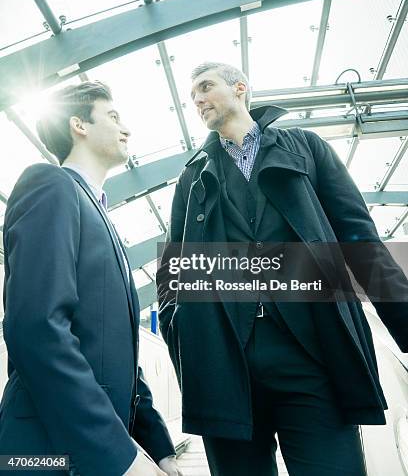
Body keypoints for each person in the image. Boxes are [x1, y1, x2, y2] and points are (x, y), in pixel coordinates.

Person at [157, 62, 408, 476]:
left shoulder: (306, 148)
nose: (198, 100)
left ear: (240, 88)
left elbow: (360, 241)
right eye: (192, 96)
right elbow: (174, 274)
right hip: (226, 365)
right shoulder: (192, 178)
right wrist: (180, 331)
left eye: (206, 87)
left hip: (311, 357)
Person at [0, 81, 182, 476]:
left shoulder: (100, 216)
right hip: (46, 453)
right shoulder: (50, 186)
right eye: (113, 116)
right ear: (78, 125)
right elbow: (37, 327)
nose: (126, 128)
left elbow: (118, 356)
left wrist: (159, 450)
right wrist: (118, 456)